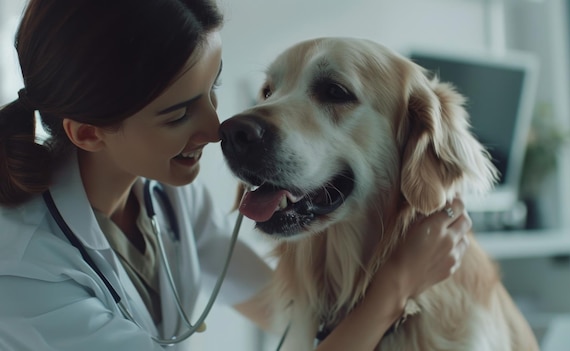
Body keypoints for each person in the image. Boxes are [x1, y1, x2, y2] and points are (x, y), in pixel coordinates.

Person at [0, 0, 472, 350]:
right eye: (179, 113)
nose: (216, 128)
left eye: (213, 89)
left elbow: (279, 307)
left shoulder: (165, 196)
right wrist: (396, 284)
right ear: (88, 133)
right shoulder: (22, 271)